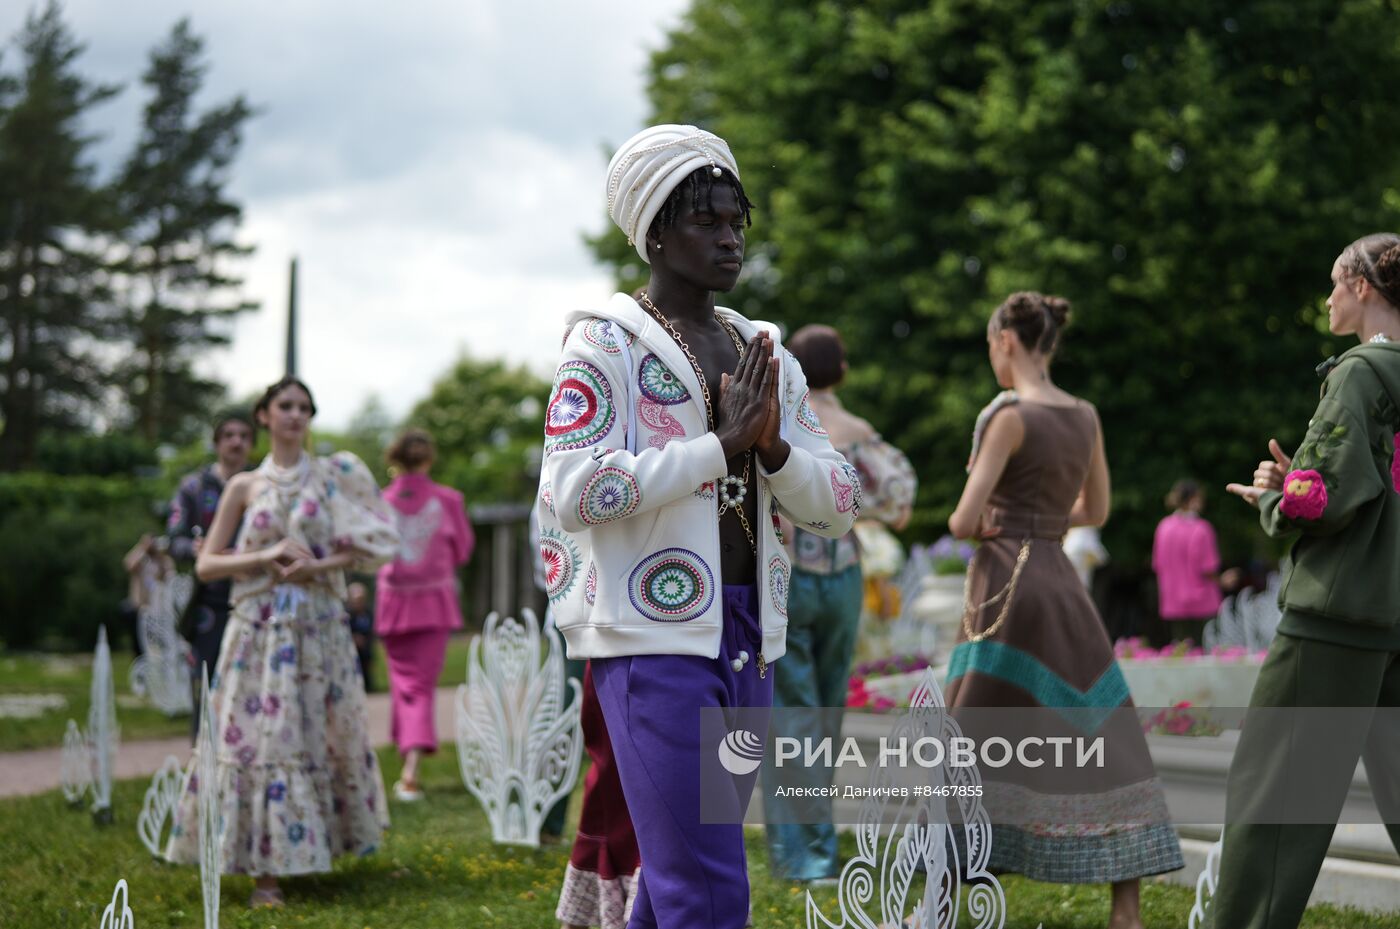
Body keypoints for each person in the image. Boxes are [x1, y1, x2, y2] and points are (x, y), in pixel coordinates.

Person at [538, 124, 857, 929]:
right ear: (653, 232)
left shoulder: (760, 349)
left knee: (679, 877)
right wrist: (718, 447)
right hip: (651, 643)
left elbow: (838, 501)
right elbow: (573, 490)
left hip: (750, 637)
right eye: (705, 221)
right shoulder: (602, 345)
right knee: (708, 886)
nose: (729, 237)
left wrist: (774, 443)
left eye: (735, 220)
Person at [946, 291, 1182, 929]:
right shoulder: (1085, 415)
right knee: (1099, 726)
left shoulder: (1008, 416)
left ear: (1006, 341)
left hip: (1004, 586)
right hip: (1060, 580)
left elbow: (963, 520)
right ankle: (1126, 909)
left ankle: (936, 897)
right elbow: (1097, 513)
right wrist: (1043, 520)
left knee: (971, 731)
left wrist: (1004, 520)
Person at [1214, 233, 1400, 929]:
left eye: (1334, 282)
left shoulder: (1358, 373)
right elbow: (1374, 486)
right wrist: (1301, 472)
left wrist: (1272, 493)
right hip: (1393, 617)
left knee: (1275, 800)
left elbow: (1315, 501)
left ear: (1362, 286)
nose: (1326, 297)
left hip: (1336, 618)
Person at [164, 376, 399, 908]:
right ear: (264, 416)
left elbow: (374, 544)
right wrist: (263, 560)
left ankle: (314, 852)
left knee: (315, 736)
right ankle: (265, 872)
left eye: (304, 407)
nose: (295, 415)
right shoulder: (244, 486)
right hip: (258, 630)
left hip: (319, 630)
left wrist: (320, 565)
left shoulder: (335, 475)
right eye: (285, 406)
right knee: (263, 739)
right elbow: (206, 564)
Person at [761, 323, 916, 883]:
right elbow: (899, 499)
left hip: (789, 574)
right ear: (843, 371)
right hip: (845, 576)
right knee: (827, 716)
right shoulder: (857, 432)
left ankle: (806, 855)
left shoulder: (785, 423)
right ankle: (816, 845)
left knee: (791, 717)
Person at [375, 428, 474, 802]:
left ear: (394, 459)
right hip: (433, 602)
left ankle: (408, 757)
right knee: (419, 686)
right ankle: (411, 769)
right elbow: (463, 550)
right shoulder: (449, 500)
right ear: (429, 458)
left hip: (393, 603)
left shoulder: (380, 502)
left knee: (405, 684)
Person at [167, 410, 254, 737]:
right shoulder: (193, 487)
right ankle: (200, 767)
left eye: (244, 436)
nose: (237, 442)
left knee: (249, 689)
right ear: (217, 441)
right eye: (229, 435)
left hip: (250, 598)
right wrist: (198, 550)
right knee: (204, 688)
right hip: (209, 603)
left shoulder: (260, 485)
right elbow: (173, 540)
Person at [1149, 479, 1223, 646]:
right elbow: (1208, 568)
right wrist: (1223, 580)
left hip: (1173, 600)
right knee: (1204, 650)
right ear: (1193, 499)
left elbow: (1157, 564)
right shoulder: (1202, 528)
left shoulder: (1163, 527)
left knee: (1181, 651)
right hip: (1202, 602)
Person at [345, 581, 375, 693]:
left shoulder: (369, 614)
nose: (359, 603)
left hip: (366, 654)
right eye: (356, 600)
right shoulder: (345, 615)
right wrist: (353, 638)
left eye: (361, 599)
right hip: (350, 656)